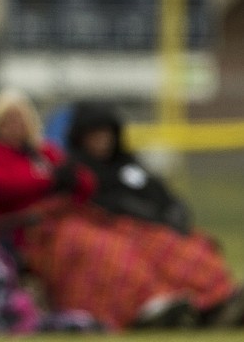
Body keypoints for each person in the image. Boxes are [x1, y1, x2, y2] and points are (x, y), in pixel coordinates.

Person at [0, 89, 241, 330]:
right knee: (104, 250)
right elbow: (3, 188)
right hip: (34, 235)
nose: (15, 126)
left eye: (20, 119)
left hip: (79, 220)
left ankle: (213, 299)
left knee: (158, 242)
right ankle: (145, 305)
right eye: (8, 121)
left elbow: (84, 185)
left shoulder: (44, 155)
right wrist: (49, 181)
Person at [66, 101, 244, 326]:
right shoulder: (78, 172)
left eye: (106, 133)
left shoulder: (130, 165)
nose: (102, 140)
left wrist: (174, 213)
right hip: (126, 233)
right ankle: (172, 308)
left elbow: (164, 196)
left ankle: (220, 302)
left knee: (198, 247)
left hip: (159, 228)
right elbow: (93, 207)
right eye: (95, 134)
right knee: (166, 254)